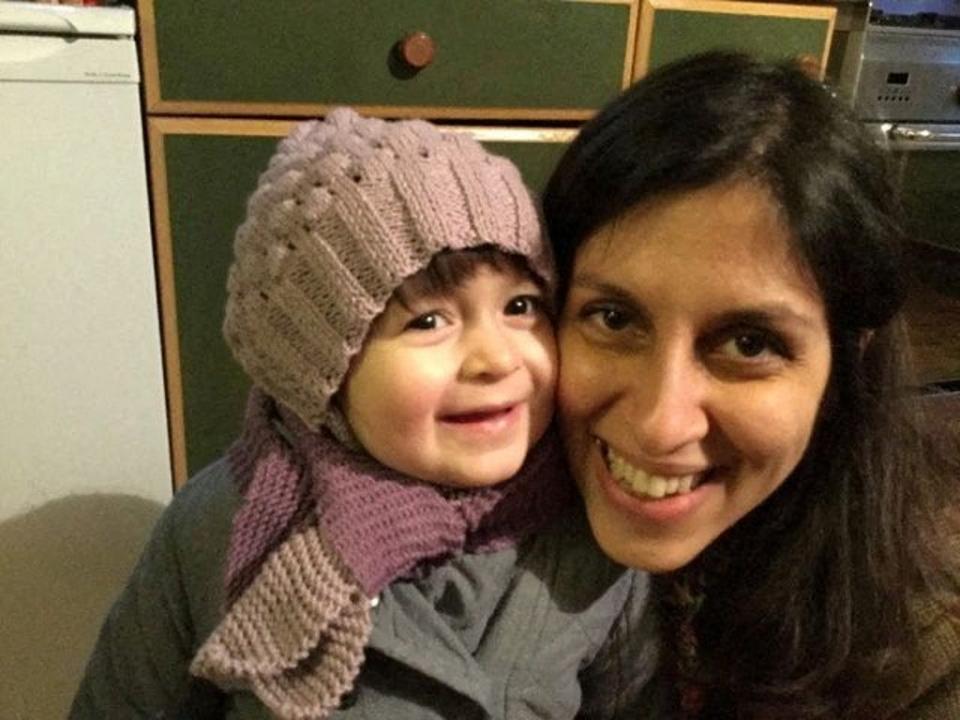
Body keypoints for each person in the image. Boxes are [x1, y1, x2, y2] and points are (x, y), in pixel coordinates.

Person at [70, 109, 660, 719]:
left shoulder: (593, 523)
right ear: (321, 367)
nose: (494, 358)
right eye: (427, 321)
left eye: (521, 304)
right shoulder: (225, 527)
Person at [542, 51, 960, 719]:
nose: (659, 422)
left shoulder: (917, 664)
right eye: (613, 318)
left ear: (847, 359)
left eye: (749, 344)